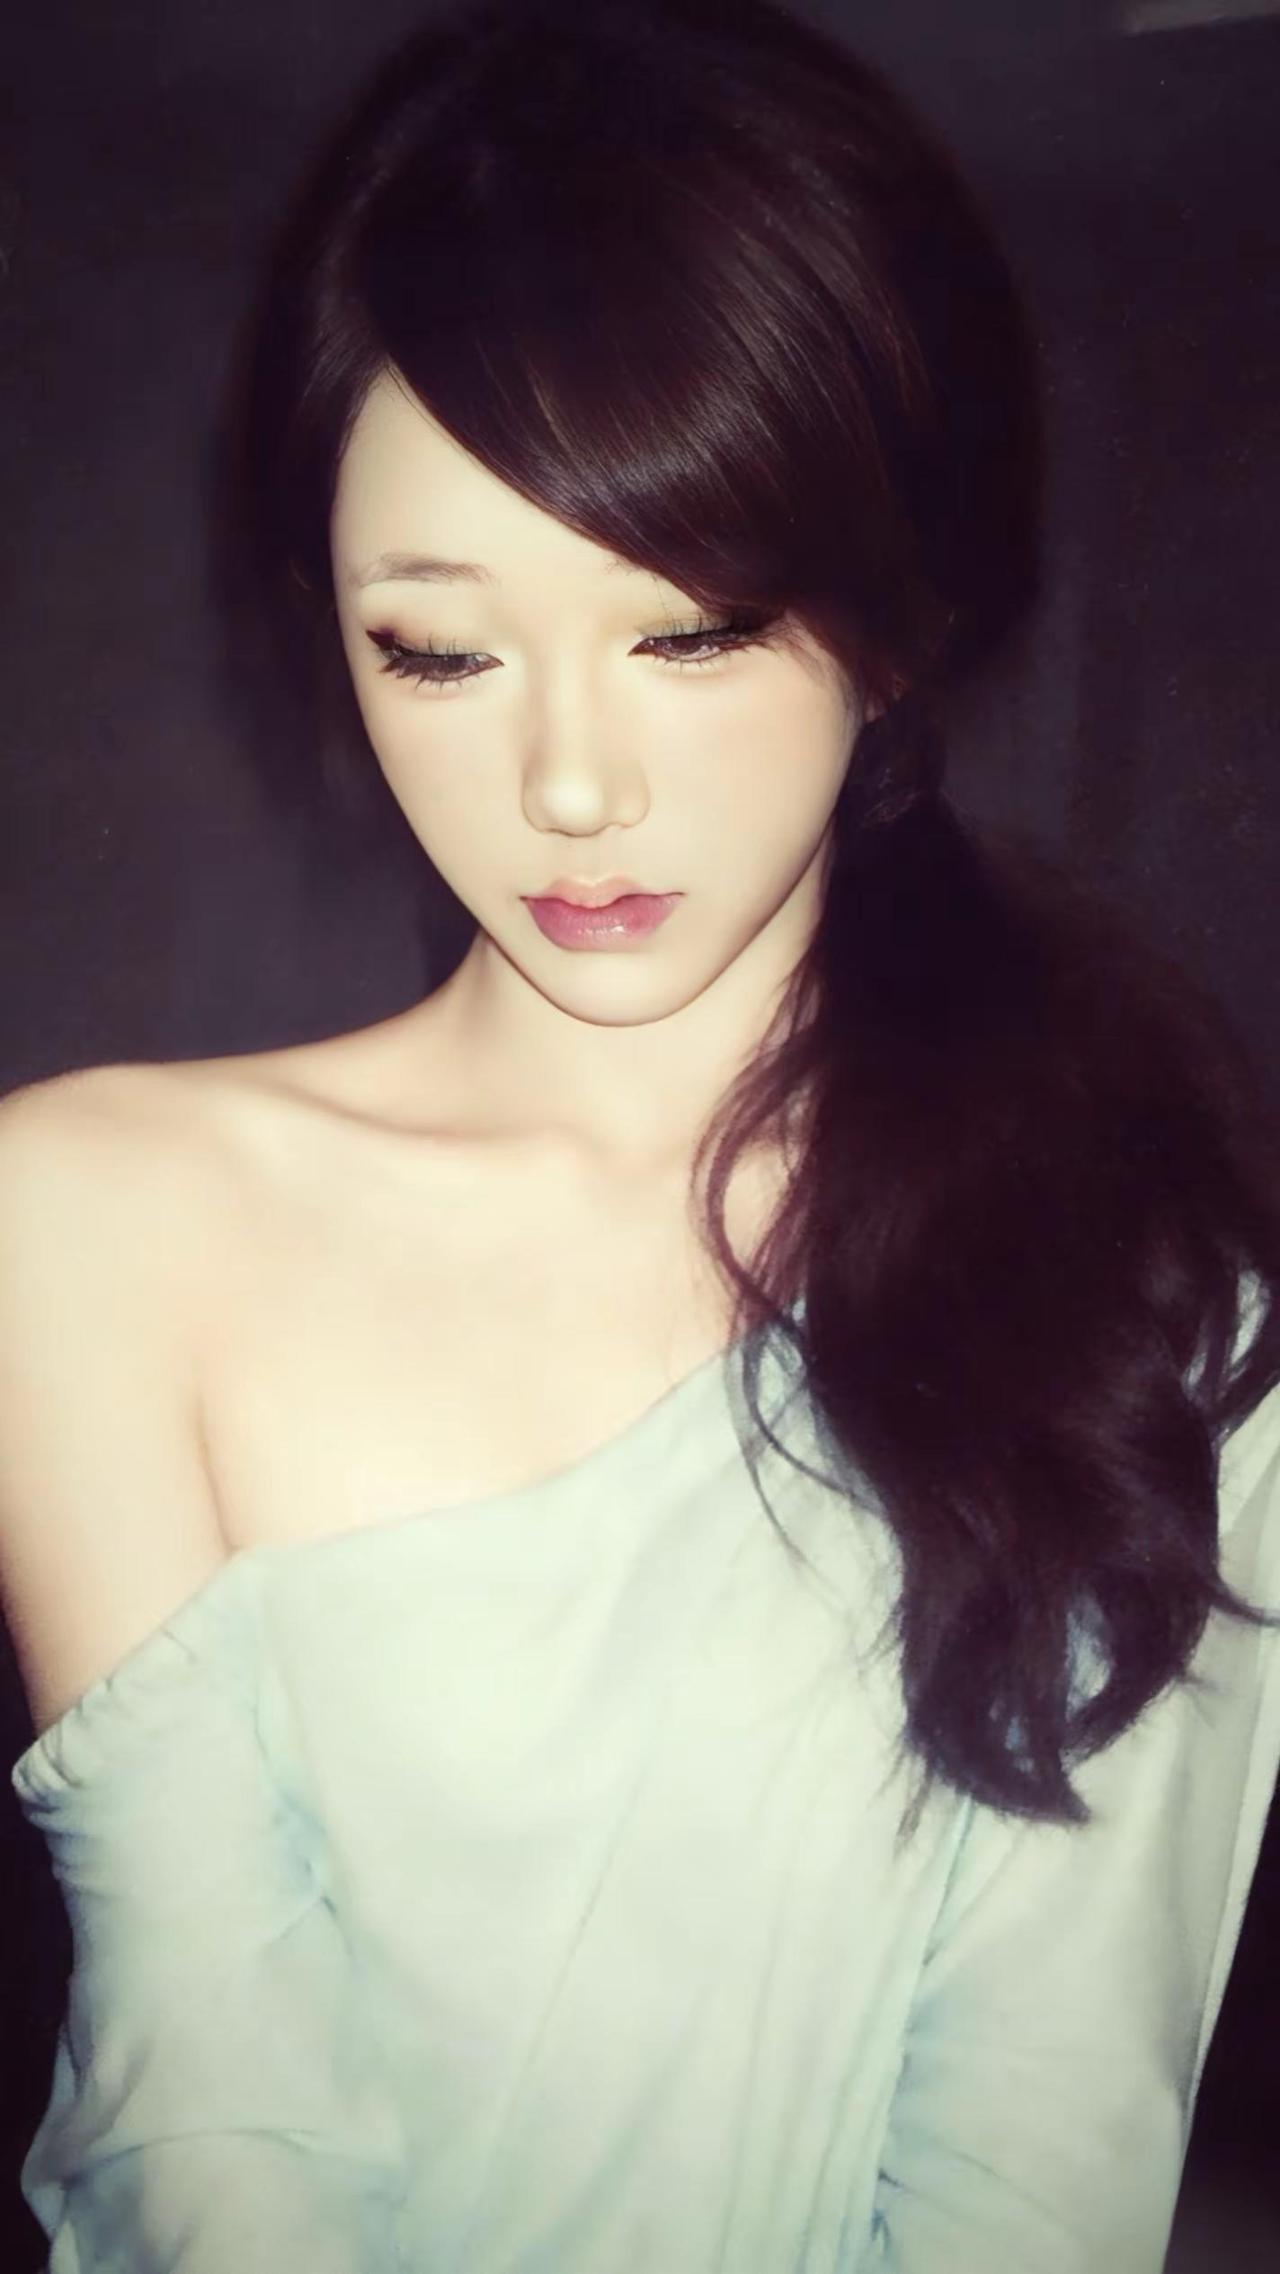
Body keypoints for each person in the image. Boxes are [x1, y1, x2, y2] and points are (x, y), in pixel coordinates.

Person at [2, 0, 1278, 2267]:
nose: (569, 786)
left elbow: (1039, 2161)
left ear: (899, 624)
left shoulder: (1138, 1294)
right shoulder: (84, 1227)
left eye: (689, 631)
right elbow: (206, 2123)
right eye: (441, 651)